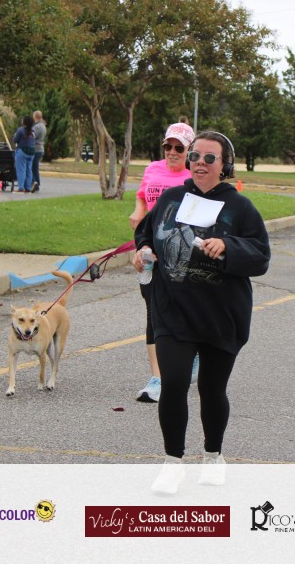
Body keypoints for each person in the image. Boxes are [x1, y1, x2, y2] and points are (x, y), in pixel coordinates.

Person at [133, 130, 271, 493]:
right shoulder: (172, 198)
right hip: (172, 310)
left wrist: (227, 245)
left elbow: (261, 257)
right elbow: (146, 232)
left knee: (211, 389)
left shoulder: (240, 207)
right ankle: (172, 463)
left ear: (225, 165)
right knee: (173, 383)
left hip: (220, 315)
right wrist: (143, 251)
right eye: (194, 156)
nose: (200, 163)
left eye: (210, 158)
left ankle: (213, 456)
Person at [129, 122, 195, 403]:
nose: (172, 151)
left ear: (189, 150)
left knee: (186, 312)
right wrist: (138, 215)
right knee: (153, 313)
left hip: (182, 254)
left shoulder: (194, 175)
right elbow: (141, 199)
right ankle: (157, 379)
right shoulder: (152, 169)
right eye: (168, 145)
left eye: (179, 147)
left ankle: (194, 355)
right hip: (150, 250)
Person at [12, 115, 36, 193]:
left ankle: (21, 187)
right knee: (29, 169)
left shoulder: (21, 130)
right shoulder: (33, 131)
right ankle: (28, 187)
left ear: (24, 122)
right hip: (32, 152)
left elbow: (15, 140)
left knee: (21, 170)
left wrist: (15, 135)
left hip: (22, 151)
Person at [30, 110, 47, 193]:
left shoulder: (36, 127)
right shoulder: (43, 126)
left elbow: (32, 137)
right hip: (41, 148)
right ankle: (37, 183)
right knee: (35, 167)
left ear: (35, 117)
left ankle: (34, 182)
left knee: (32, 167)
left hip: (35, 149)